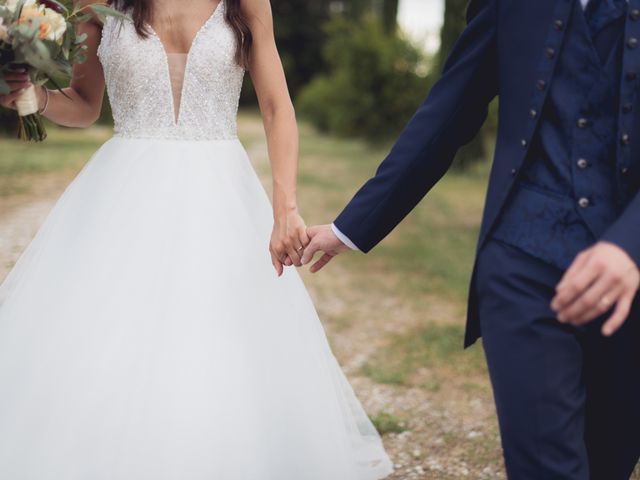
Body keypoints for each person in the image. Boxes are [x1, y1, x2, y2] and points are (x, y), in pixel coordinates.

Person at [0, 0, 393, 478]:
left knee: (217, 341)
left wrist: (285, 208)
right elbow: (85, 106)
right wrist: (33, 97)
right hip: (124, 192)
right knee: (109, 333)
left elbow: (275, 106)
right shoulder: (98, 5)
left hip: (219, 191)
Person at [302, 0, 640, 478]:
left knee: (610, 459)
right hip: (522, 260)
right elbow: (450, 110)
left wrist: (629, 246)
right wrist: (351, 226)